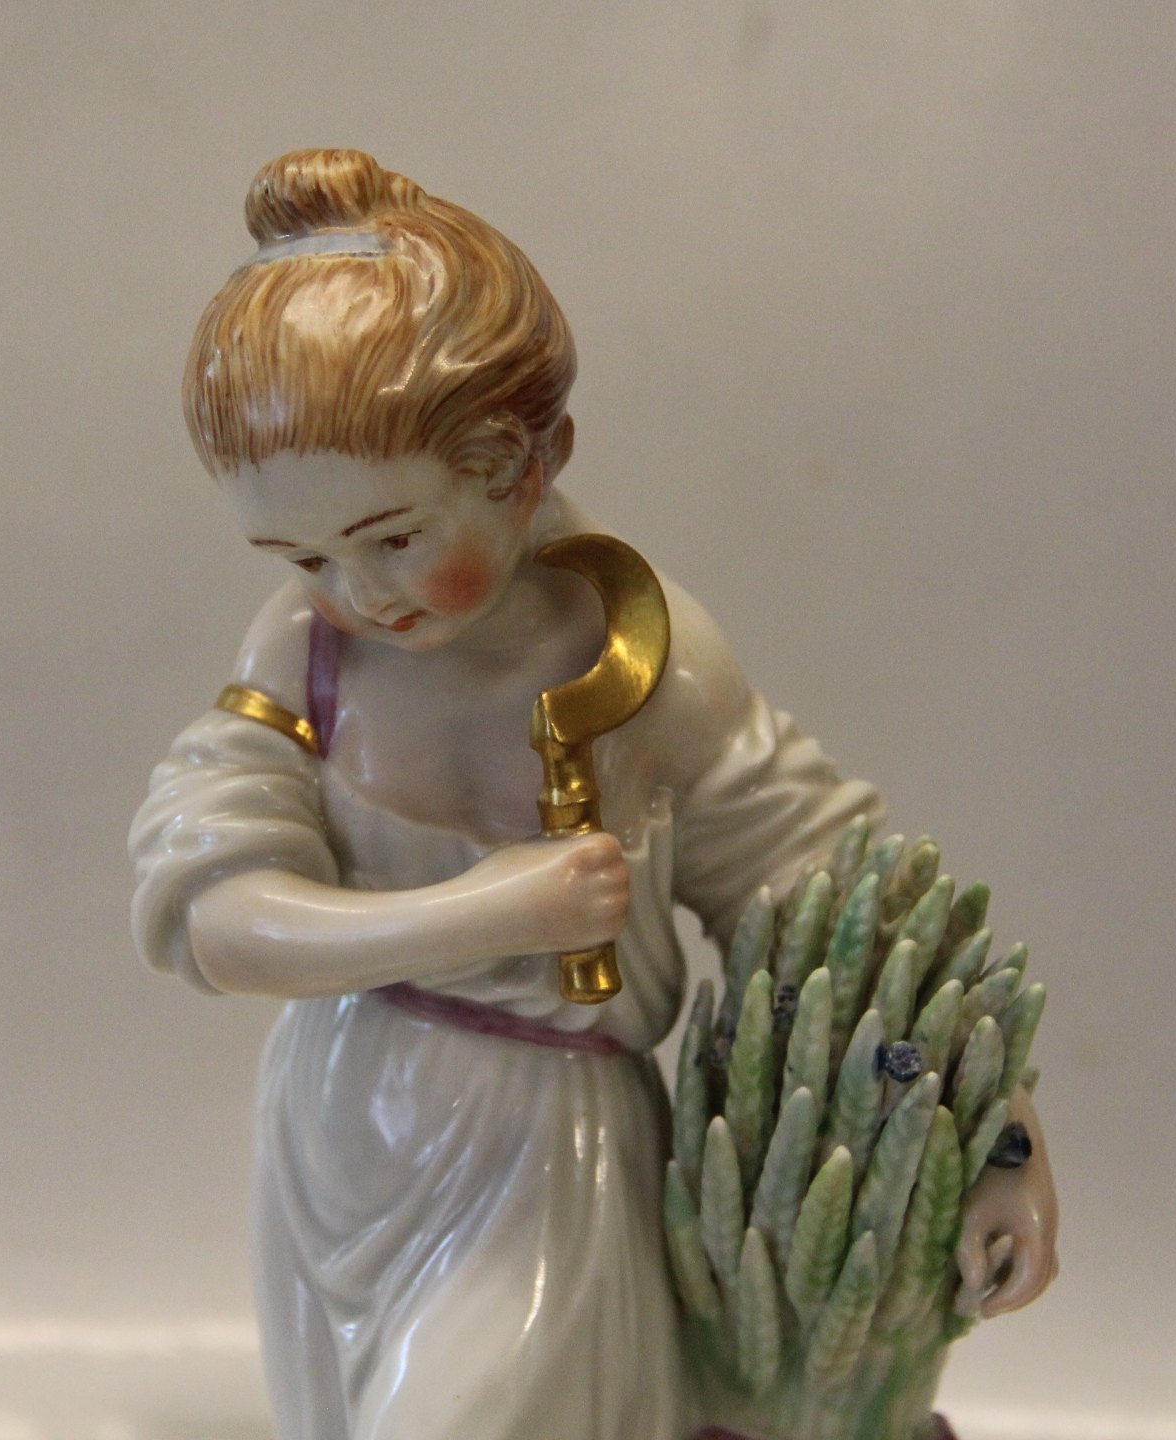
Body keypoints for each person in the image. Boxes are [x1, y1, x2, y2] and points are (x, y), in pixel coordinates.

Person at [129, 149, 1055, 1440]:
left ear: (522, 461)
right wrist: (486, 914)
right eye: (301, 556)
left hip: (546, 1155)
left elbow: (843, 924)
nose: (358, 594)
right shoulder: (303, 657)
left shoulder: (639, 654)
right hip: (343, 1131)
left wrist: (994, 1141)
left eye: (395, 537)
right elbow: (215, 923)